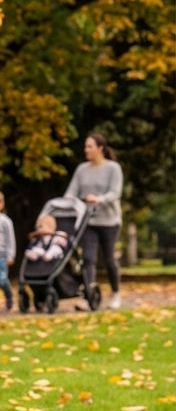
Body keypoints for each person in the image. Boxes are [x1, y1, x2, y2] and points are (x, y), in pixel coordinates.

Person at [64, 132, 124, 309]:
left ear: (100, 148)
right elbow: (71, 191)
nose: (86, 150)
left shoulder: (113, 168)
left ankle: (115, 293)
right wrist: (66, 202)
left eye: (89, 146)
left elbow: (115, 193)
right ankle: (88, 296)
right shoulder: (82, 169)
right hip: (88, 221)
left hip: (110, 221)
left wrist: (99, 198)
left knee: (109, 259)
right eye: (85, 146)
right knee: (88, 259)